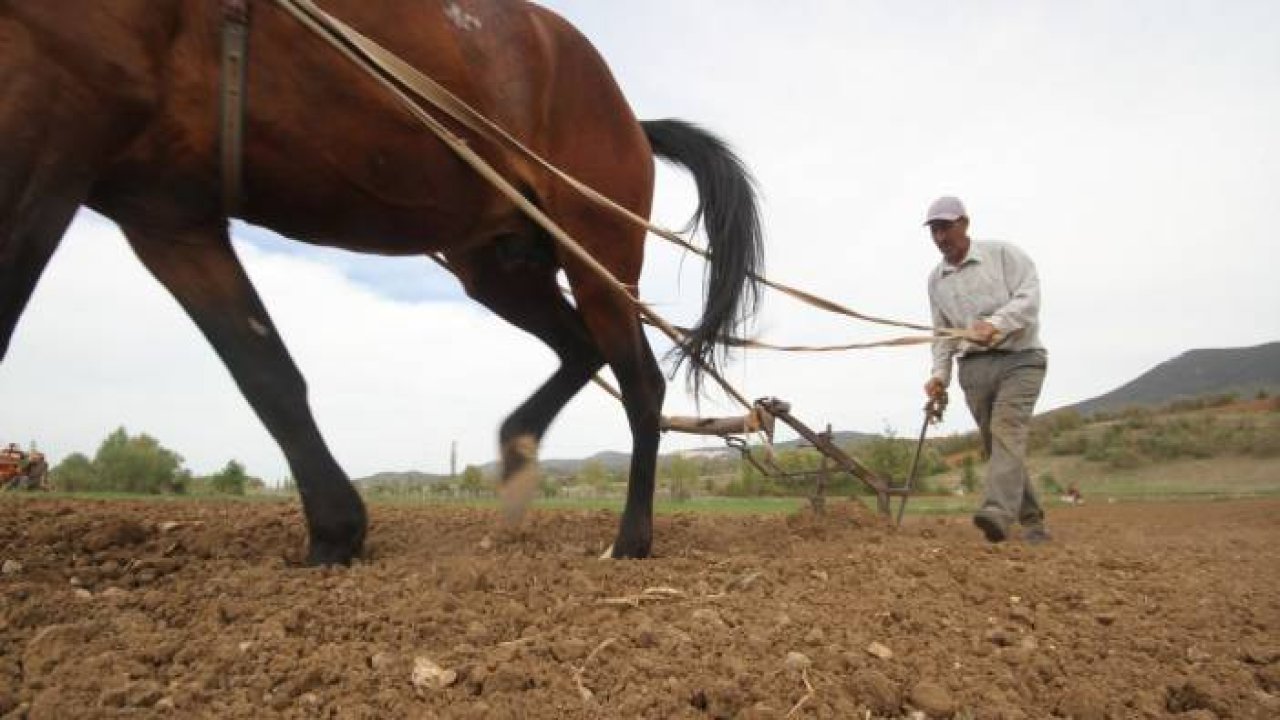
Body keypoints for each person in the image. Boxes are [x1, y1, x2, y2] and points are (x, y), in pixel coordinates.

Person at [921, 196, 1050, 544]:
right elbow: (942, 335)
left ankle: (996, 512)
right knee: (997, 445)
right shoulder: (936, 281)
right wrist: (939, 377)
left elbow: (1029, 300)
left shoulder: (1004, 256)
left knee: (1006, 431)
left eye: (945, 227)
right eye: (934, 230)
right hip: (974, 369)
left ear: (964, 223)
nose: (940, 237)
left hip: (1020, 358)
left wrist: (996, 324)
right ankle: (1033, 521)